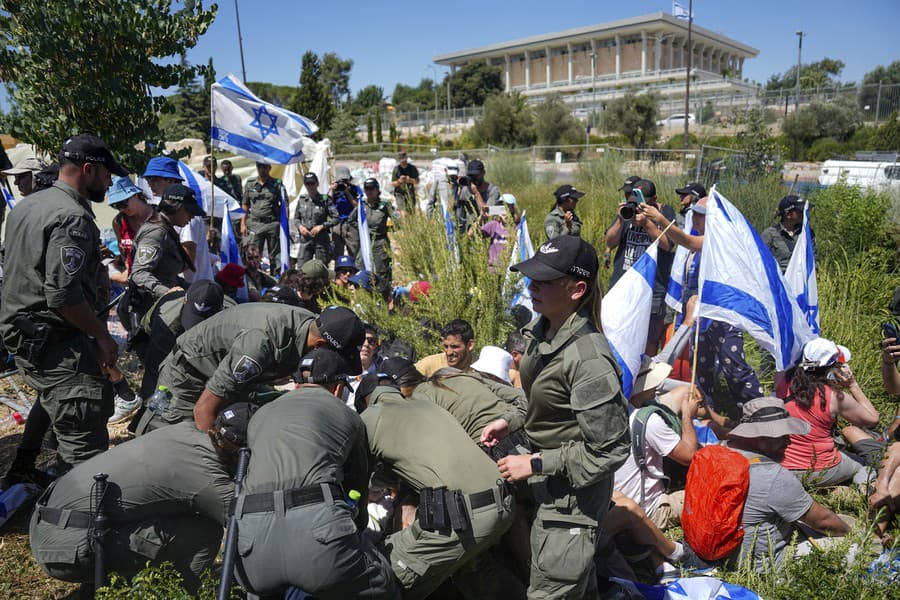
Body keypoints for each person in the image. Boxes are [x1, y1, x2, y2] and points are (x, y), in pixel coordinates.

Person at [486, 234, 631, 599]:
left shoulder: (589, 360)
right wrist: (513, 420)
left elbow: (610, 451)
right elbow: (544, 401)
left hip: (573, 499)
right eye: (532, 278)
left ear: (577, 289)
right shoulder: (543, 331)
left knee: (552, 588)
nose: (532, 287)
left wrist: (535, 464)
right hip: (549, 484)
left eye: (545, 281)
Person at [0, 135, 125, 475]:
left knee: (58, 397)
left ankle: (25, 468)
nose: (111, 181)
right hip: (50, 335)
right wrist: (102, 336)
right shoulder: (71, 217)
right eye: (106, 173)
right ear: (88, 169)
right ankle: (81, 513)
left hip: (28, 333)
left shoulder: (28, 206)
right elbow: (63, 295)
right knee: (83, 424)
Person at [29, 404, 250, 593]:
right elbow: (250, 524)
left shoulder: (185, 430)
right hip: (65, 550)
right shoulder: (208, 478)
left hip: (45, 523)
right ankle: (183, 592)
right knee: (205, 532)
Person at [234, 348, 398, 598]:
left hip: (252, 545)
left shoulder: (261, 414)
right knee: (384, 584)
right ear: (337, 388)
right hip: (318, 535)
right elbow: (358, 487)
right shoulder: (346, 415)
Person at [358, 380, 515, 599]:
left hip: (462, 515)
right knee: (472, 574)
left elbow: (358, 477)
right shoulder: (428, 405)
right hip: (504, 502)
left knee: (378, 573)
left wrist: (369, 489)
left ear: (365, 404)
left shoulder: (371, 417)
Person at [136, 304, 365, 434]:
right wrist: (222, 460)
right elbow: (203, 411)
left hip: (231, 378)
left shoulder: (311, 329)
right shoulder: (261, 342)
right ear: (321, 345)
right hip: (189, 377)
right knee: (179, 442)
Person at [640, 197, 765, 406]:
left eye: (700, 214)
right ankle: (703, 411)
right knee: (700, 367)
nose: (695, 217)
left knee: (734, 367)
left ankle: (758, 408)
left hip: (721, 316)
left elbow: (687, 241)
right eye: (694, 213)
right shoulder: (697, 237)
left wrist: (660, 219)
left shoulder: (718, 240)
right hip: (700, 315)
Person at [726, 397, 850, 572]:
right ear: (759, 436)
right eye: (781, 435)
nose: (788, 442)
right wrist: (854, 536)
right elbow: (824, 521)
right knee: (852, 550)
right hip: (759, 564)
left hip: (721, 553)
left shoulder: (720, 451)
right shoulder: (771, 475)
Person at [778, 337, 880, 487]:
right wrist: (852, 385)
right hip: (817, 468)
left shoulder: (783, 382)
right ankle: (865, 493)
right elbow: (873, 420)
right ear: (832, 369)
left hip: (783, 465)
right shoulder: (834, 397)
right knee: (864, 466)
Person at [614, 359, 701, 530]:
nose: (657, 386)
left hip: (616, 505)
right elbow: (689, 456)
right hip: (648, 512)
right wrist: (687, 416)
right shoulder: (649, 421)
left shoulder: (612, 412)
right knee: (710, 493)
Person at [134, 279, 231, 410]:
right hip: (156, 337)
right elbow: (156, 371)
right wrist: (154, 408)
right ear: (185, 301)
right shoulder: (167, 319)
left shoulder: (231, 316)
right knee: (159, 388)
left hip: (211, 345)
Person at [606, 179, 677, 354]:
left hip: (652, 286)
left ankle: (645, 376)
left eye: (644, 201)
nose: (640, 205)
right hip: (623, 285)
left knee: (649, 339)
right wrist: (621, 219)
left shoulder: (664, 211)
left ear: (654, 199)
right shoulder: (630, 208)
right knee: (617, 332)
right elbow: (610, 241)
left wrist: (647, 224)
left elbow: (668, 244)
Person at [129, 183, 203, 320]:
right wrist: (167, 292)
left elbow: (166, 275)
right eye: (189, 211)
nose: (192, 216)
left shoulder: (167, 230)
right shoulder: (156, 233)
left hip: (160, 307)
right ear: (178, 208)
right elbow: (139, 274)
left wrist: (196, 289)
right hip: (148, 310)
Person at [352, 177, 397, 299]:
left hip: (380, 242)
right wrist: (362, 230)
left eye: (372, 188)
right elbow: (351, 220)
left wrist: (386, 229)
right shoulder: (362, 205)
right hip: (366, 242)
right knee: (360, 267)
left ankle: (384, 297)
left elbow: (398, 223)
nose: (369, 191)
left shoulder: (385, 205)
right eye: (367, 188)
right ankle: (364, 296)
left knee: (383, 270)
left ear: (377, 190)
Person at [241, 162, 286, 274]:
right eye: (259, 167)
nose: (262, 170)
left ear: (269, 168)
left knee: (275, 256)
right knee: (253, 255)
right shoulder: (250, 184)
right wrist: (243, 223)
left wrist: (284, 225)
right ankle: (256, 279)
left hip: (272, 224)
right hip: (255, 224)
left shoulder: (277, 184)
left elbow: (285, 205)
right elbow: (245, 204)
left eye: (264, 167)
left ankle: (275, 278)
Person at [108, 175, 155, 273]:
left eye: (123, 203)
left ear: (134, 195)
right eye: (115, 205)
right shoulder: (118, 222)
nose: (121, 209)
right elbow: (122, 249)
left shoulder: (159, 215)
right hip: (136, 279)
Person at [294, 172, 338, 265]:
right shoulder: (302, 200)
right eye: (308, 184)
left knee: (321, 268)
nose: (310, 186)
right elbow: (296, 218)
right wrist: (300, 227)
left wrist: (322, 226)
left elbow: (336, 218)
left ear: (317, 184)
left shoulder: (325, 200)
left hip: (321, 240)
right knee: (302, 268)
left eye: (312, 183)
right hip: (305, 239)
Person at [761, 195, 812, 272]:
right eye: (800, 211)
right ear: (788, 214)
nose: (804, 213)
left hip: (801, 281)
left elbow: (813, 258)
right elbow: (761, 260)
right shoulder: (770, 234)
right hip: (779, 280)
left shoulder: (806, 233)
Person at [455, 159, 500, 233]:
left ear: (483, 173)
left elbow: (488, 214)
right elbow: (459, 215)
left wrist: (476, 193)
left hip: (487, 231)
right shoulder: (466, 190)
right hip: (470, 231)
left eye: (476, 175)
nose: (473, 178)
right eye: (470, 175)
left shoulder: (493, 190)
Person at [329, 166, 361, 258]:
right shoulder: (334, 191)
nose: (343, 183)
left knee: (354, 252)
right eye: (341, 180)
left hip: (352, 223)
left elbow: (357, 206)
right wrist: (332, 190)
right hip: (337, 223)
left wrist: (348, 193)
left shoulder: (355, 189)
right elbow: (328, 203)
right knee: (338, 253)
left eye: (345, 180)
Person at [219, 159, 244, 243]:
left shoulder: (237, 178)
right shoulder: (220, 181)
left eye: (228, 169)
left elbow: (240, 194)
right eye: (225, 170)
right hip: (228, 210)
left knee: (239, 236)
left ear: (232, 168)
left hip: (237, 209)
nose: (227, 172)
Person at [391, 150, 419, 214]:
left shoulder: (412, 168)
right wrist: (399, 181)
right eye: (401, 161)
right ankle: (404, 223)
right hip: (399, 194)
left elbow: (417, 181)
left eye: (404, 160)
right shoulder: (396, 169)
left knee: (411, 213)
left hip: (410, 193)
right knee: (403, 213)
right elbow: (393, 183)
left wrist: (410, 180)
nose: (403, 162)